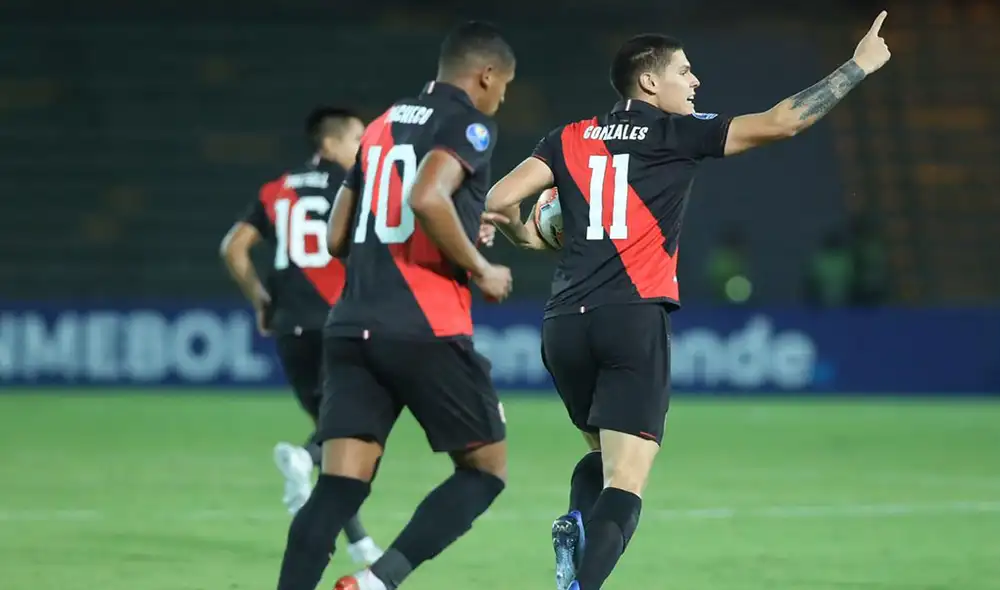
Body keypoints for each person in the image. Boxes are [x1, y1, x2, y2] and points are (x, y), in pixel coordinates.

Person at [485, 12, 891, 590]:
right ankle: (581, 581)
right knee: (626, 483)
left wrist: (528, 236)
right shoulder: (676, 132)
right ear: (649, 83)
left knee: (603, 459)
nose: (695, 82)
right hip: (630, 317)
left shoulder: (567, 136)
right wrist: (857, 66)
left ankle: (575, 525)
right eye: (684, 71)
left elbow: (500, 200)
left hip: (562, 325)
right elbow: (782, 123)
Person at [273, 21, 516, 590]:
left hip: (351, 324)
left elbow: (337, 238)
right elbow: (426, 197)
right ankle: (378, 581)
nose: (502, 96)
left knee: (339, 487)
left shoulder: (380, 125)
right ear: (484, 75)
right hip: (425, 327)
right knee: (485, 471)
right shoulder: (469, 125)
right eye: (503, 84)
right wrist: (480, 266)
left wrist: (458, 228)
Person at [220, 106, 382, 566]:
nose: (362, 148)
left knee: (337, 437)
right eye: (356, 139)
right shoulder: (357, 183)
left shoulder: (277, 189)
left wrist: (260, 300)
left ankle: (359, 543)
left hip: (289, 322)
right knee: (349, 432)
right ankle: (303, 460)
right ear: (329, 145)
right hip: (340, 319)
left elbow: (233, 248)